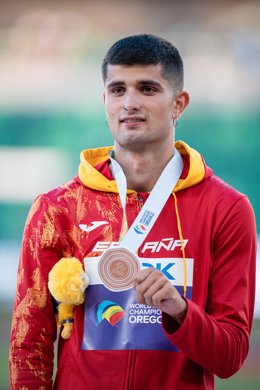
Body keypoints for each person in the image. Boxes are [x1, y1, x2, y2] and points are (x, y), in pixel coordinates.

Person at [9, 34, 256, 390]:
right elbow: (28, 345)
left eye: (148, 89)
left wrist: (179, 310)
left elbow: (230, 356)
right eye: (118, 89)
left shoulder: (227, 209)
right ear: (104, 101)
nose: (130, 103)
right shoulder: (57, 209)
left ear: (178, 104)